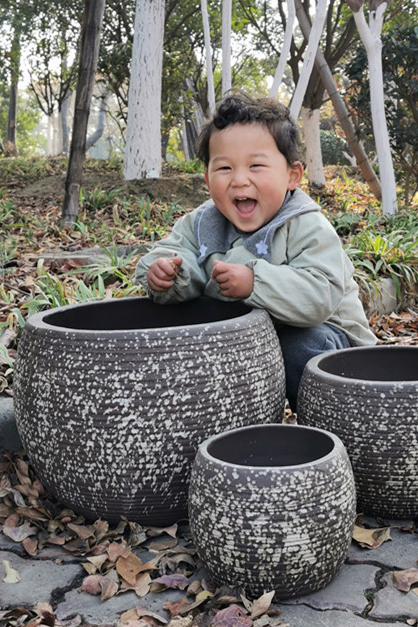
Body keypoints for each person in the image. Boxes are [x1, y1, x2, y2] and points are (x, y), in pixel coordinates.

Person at [134, 91, 377, 409]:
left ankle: (334, 427)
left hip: (327, 339)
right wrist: (166, 272)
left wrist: (254, 282)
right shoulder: (203, 222)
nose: (239, 180)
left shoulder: (304, 224)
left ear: (293, 175)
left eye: (256, 166)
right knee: (188, 331)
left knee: (301, 346)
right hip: (248, 339)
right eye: (224, 169)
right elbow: (175, 250)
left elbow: (320, 294)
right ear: (207, 179)